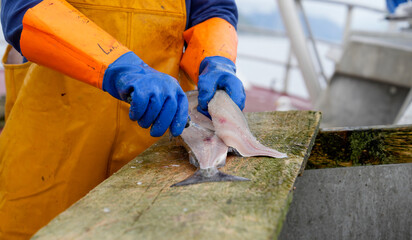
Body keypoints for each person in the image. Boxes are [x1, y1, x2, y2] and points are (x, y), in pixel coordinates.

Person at [0, 0, 245, 238]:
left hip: (157, 141)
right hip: (51, 142)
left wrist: (215, 59)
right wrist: (122, 68)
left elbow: (212, 8)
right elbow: (23, 8)